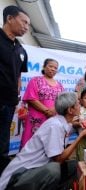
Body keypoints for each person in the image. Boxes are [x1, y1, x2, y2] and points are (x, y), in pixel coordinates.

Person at [0, 92, 86, 190]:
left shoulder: (61, 121)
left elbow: (69, 128)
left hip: (35, 170)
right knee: (53, 169)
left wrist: (77, 125)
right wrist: (81, 136)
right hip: (17, 178)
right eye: (78, 104)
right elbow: (58, 159)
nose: (80, 105)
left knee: (76, 166)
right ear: (70, 110)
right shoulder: (55, 126)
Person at [0, 5, 30, 175]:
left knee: (3, 143)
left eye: (28, 24)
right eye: (24, 22)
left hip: (8, 103)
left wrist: (17, 95)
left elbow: (18, 76)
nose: (26, 27)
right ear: (10, 18)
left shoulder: (21, 50)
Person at [20, 58, 64, 147]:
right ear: (44, 67)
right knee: (31, 143)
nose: (53, 69)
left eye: (55, 68)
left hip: (53, 119)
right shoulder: (35, 80)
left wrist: (54, 110)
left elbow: (62, 100)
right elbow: (31, 98)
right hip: (36, 118)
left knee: (49, 144)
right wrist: (47, 111)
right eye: (50, 66)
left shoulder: (59, 85)